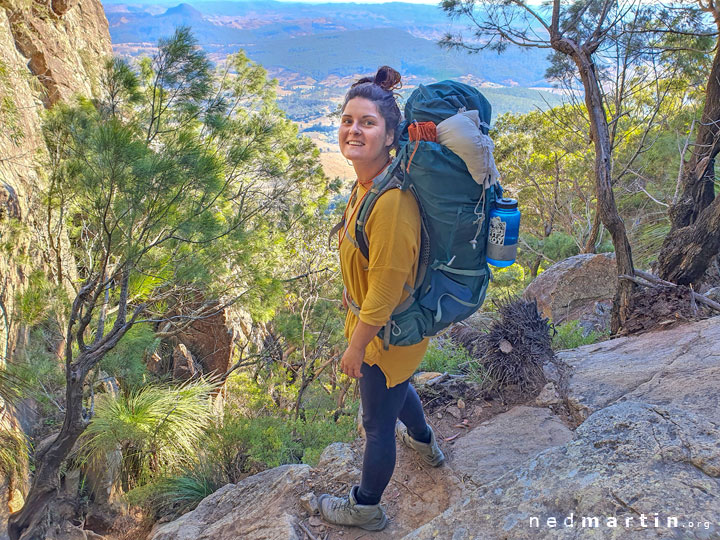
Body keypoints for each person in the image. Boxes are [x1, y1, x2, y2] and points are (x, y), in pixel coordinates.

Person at [317, 66, 445, 532]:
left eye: (367, 122)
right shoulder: (369, 182)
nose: (354, 129)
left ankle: (366, 506)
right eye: (348, 119)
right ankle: (426, 442)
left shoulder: (390, 202)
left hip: (386, 334)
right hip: (390, 337)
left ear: (390, 134)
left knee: (376, 424)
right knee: (398, 387)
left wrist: (356, 346)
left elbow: (386, 290)